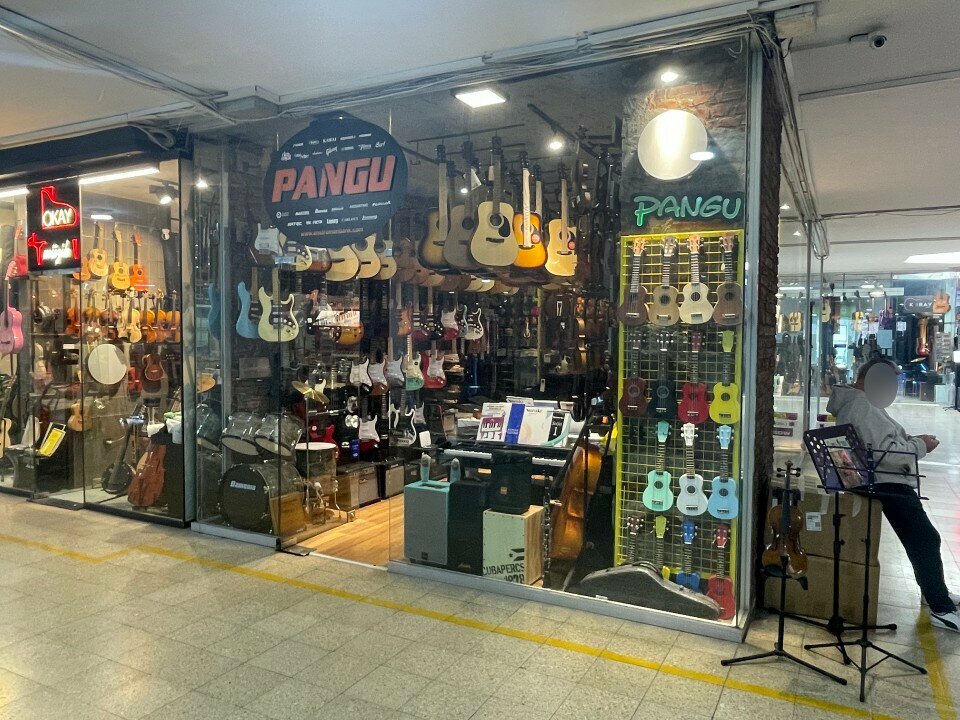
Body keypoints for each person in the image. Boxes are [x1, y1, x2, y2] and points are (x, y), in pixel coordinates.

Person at [826, 356, 958, 631]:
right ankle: (941, 607)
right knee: (925, 538)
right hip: (883, 481)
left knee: (922, 538)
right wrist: (920, 446)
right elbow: (886, 454)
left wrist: (911, 441)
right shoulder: (862, 406)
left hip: (879, 478)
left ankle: (934, 592)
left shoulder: (860, 402)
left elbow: (881, 442)